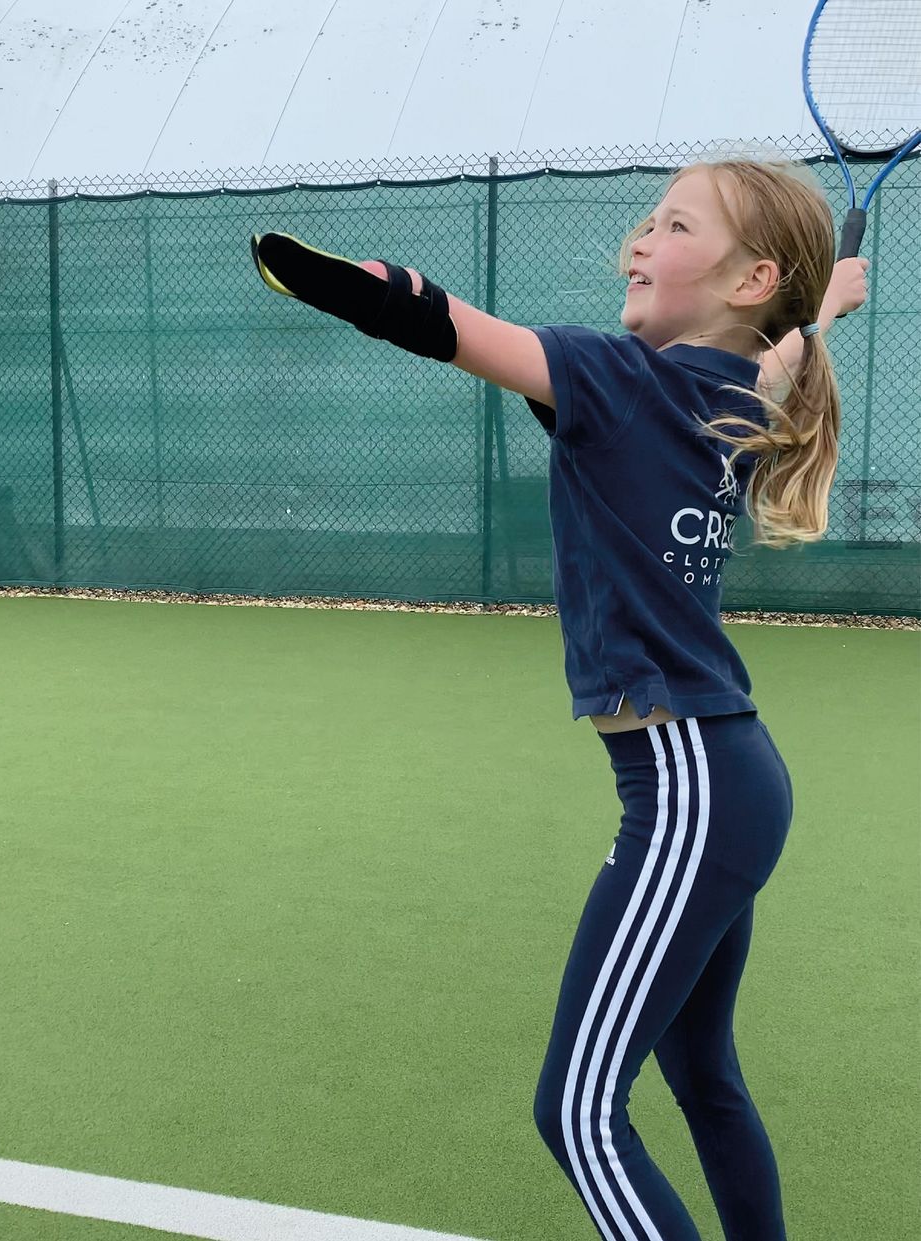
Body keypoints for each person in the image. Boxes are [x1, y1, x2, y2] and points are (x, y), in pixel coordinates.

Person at [249, 158, 868, 1239]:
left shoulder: (621, 379)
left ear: (747, 279)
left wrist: (334, 279)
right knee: (701, 1072)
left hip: (687, 786)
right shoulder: (730, 393)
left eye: (672, 224)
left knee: (577, 1112)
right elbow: (784, 346)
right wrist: (820, 308)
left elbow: (445, 323)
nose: (637, 238)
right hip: (726, 776)